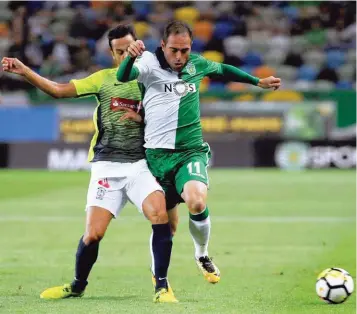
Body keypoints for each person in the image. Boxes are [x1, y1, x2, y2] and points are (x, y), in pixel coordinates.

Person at [1, 24, 178, 304]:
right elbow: (59, 90)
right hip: (107, 165)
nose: (124, 56)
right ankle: (77, 285)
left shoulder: (152, 80)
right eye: (118, 52)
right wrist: (25, 71)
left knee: (160, 218)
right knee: (94, 234)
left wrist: (142, 120)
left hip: (140, 164)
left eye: (129, 49)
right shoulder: (104, 79)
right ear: (112, 53)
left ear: (139, 47)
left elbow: (170, 120)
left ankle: (162, 287)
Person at [117, 20, 282, 285]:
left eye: (185, 50)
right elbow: (122, 77)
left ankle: (202, 254)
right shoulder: (147, 62)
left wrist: (256, 81)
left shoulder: (197, 64)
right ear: (163, 45)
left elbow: (223, 70)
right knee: (166, 226)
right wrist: (129, 57)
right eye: (174, 50)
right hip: (157, 157)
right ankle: (159, 276)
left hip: (190, 151)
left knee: (196, 201)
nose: (180, 56)